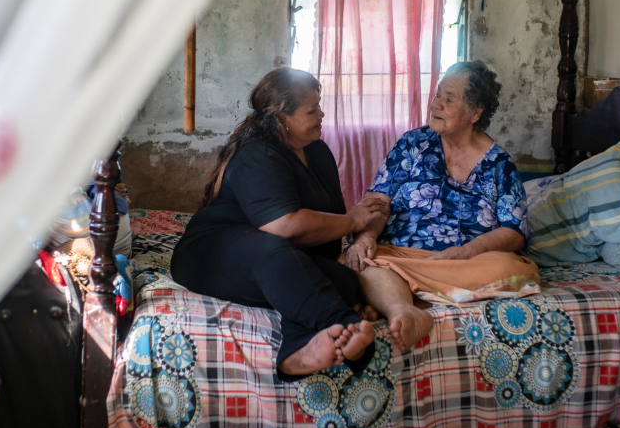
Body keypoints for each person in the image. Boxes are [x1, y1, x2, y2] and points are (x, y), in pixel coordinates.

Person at [171, 67, 388, 379]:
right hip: (210, 253)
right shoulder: (257, 154)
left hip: (277, 256)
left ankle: (296, 350)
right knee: (274, 251)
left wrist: (349, 232)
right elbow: (286, 226)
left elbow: (322, 227)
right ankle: (343, 324)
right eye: (312, 110)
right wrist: (352, 221)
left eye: (319, 105)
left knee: (341, 279)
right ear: (282, 117)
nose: (321, 114)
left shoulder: (318, 151)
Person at [343, 61, 530, 345]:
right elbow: (378, 200)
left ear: (475, 112)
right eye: (437, 94)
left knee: (512, 269)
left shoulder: (499, 164)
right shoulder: (413, 143)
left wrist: (464, 253)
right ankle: (404, 308)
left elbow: (515, 232)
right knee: (366, 262)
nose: (435, 104)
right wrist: (367, 236)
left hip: (464, 262)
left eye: (449, 99)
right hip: (400, 252)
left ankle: (394, 295)